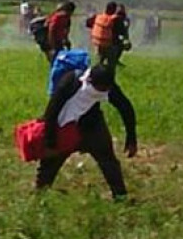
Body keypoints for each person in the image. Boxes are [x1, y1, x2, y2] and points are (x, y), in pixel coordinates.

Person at [35, 65, 138, 199]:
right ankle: (40, 195)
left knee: (108, 161)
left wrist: (131, 138)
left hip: (92, 126)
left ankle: (120, 197)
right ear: (89, 81)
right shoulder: (70, 82)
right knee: (50, 163)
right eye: (99, 89)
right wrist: (50, 141)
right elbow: (52, 111)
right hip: (63, 126)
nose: (102, 92)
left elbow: (125, 108)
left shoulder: (108, 87)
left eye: (105, 89)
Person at [89, 1, 127, 71]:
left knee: (99, 62)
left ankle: (95, 74)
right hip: (110, 44)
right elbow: (122, 32)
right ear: (114, 10)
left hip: (98, 43)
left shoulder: (98, 17)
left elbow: (88, 24)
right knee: (111, 64)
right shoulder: (115, 19)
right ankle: (109, 74)